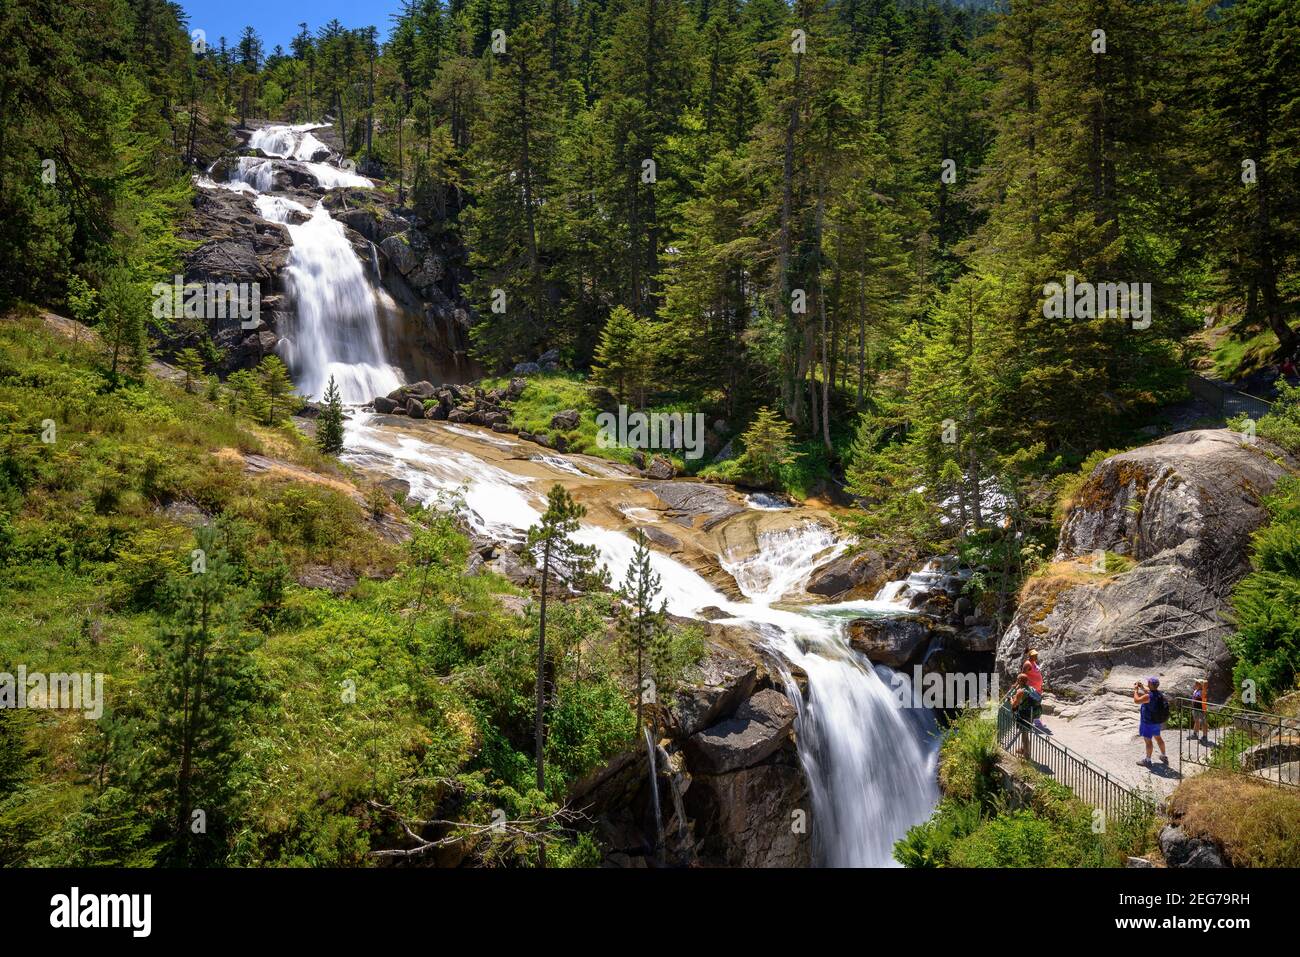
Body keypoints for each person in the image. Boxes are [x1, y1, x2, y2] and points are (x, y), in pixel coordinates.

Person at [1133, 676, 1169, 767]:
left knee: (1148, 741)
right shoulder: (1158, 694)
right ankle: (1164, 756)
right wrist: (1142, 687)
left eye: (1148, 682)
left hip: (1147, 722)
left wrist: (1135, 691)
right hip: (1156, 721)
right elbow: (1149, 691)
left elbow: (1136, 700)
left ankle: (1147, 760)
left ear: (1151, 685)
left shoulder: (1148, 696)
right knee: (1158, 738)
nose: (1147, 684)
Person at [1008, 673, 1034, 757]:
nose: (1017, 681)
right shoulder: (1029, 688)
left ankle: (1027, 754)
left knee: (1024, 734)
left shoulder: (1021, 691)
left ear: (1020, 681)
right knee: (1025, 733)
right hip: (1030, 713)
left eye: (1018, 679)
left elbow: (1014, 705)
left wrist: (1010, 699)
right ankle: (1024, 749)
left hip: (1023, 715)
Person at [1022, 649, 1048, 731]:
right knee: (1032, 706)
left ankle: (1037, 722)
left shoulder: (1033, 662)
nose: (1036, 656)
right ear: (1030, 656)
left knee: (1037, 706)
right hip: (1032, 690)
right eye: (1034, 655)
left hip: (1038, 689)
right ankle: (1029, 723)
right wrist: (1018, 685)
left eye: (1036, 655)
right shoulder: (1027, 664)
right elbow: (1022, 675)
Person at [1190, 677, 1209, 743]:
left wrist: (1204, 682)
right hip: (1195, 709)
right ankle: (1195, 734)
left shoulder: (1203, 692)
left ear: (1200, 685)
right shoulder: (1195, 691)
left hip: (1201, 709)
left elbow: (1205, 683)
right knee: (1196, 721)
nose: (1195, 684)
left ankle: (1205, 736)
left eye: (1197, 683)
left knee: (1204, 723)